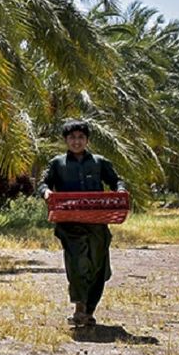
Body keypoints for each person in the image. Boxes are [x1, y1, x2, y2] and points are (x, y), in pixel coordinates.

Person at [38, 120, 125, 328]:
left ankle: (89, 310)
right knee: (77, 263)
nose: (76, 141)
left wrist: (120, 191)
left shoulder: (99, 162)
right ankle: (79, 307)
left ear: (87, 140)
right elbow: (43, 183)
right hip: (69, 223)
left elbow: (117, 181)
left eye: (80, 137)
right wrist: (47, 192)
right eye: (72, 138)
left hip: (97, 222)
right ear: (66, 140)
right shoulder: (57, 163)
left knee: (98, 265)